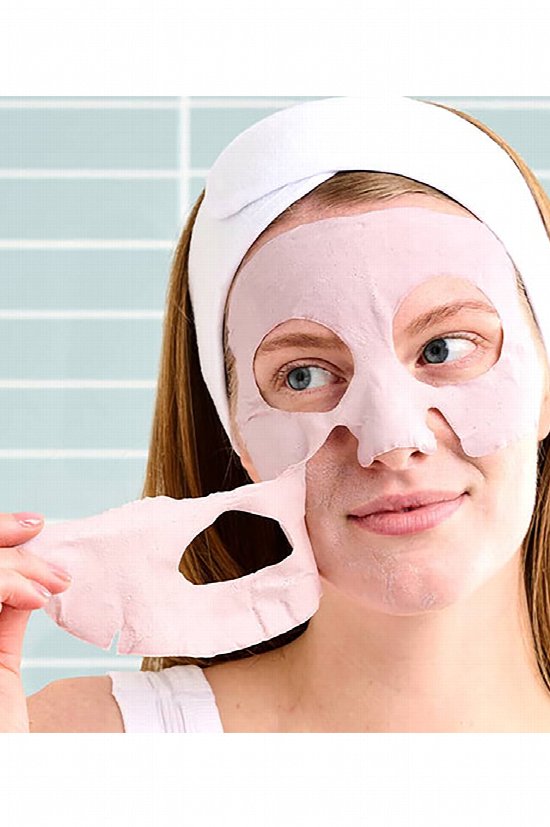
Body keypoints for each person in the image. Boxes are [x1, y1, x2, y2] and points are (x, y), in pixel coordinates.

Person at [3, 97, 550, 732]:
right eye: (303, 375)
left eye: (444, 348)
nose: (391, 440)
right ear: (238, 434)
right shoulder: (72, 742)